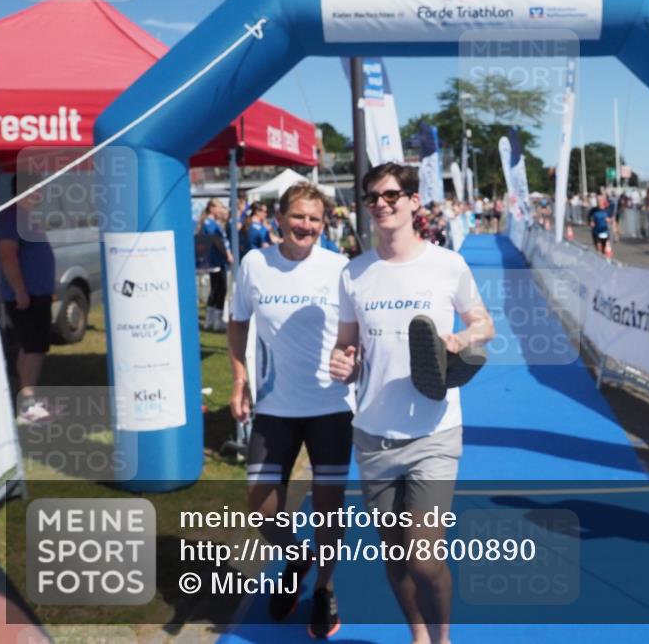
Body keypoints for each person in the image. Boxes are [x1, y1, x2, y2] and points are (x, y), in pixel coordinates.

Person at [330, 163, 494, 644]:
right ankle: (418, 634)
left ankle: (442, 639)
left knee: (424, 559)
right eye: (372, 197)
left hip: (434, 434)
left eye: (391, 194)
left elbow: (485, 324)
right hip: (375, 436)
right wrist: (343, 363)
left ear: (414, 202)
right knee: (396, 557)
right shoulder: (353, 273)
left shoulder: (447, 265)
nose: (381, 203)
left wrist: (463, 338)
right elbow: (346, 346)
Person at [227, 182, 353, 638]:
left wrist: (351, 355)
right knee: (261, 507)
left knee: (328, 507)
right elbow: (238, 323)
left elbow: (356, 331)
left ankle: (325, 588)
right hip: (275, 404)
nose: (306, 226)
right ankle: (297, 556)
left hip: (331, 405)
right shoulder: (255, 263)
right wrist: (240, 380)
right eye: (298, 217)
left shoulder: (340, 268)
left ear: (324, 223)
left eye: (315, 219)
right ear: (279, 218)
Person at [0, 176, 56, 422]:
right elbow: (8, 255)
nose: (40, 193)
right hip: (26, 296)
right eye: (35, 189)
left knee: (29, 348)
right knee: (34, 349)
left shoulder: (26, 217)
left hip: (35, 294)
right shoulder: (11, 217)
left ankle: (28, 402)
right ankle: (29, 407)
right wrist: (20, 290)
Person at [199, 198, 233, 331]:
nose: (221, 210)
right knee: (219, 289)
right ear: (212, 208)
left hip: (218, 260)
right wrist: (227, 254)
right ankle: (214, 320)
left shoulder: (212, 223)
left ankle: (212, 320)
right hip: (216, 260)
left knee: (218, 289)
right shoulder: (210, 224)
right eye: (219, 207)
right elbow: (216, 241)